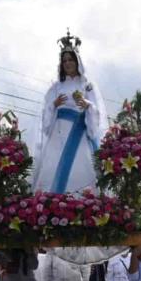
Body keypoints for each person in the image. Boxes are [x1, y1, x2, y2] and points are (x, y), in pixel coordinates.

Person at [32, 31, 107, 194]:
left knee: (80, 170)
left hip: (80, 134)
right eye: (64, 60)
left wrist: (87, 105)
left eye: (70, 60)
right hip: (58, 135)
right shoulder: (56, 87)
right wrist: (54, 105)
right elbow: (46, 113)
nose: (67, 63)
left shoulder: (87, 84)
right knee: (54, 167)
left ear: (77, 61)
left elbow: (96, 111)